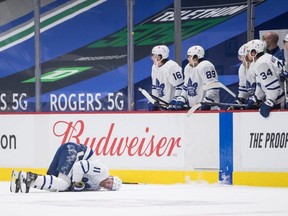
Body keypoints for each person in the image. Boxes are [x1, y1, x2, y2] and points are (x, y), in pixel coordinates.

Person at [10, 142, 122, 193]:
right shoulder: (103, 171)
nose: (108, 185)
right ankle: (29, 177)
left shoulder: (96, 187)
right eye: (110, 182)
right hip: (73, 151)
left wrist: (74, 185)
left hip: (69, 153)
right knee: (64, 184)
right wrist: (76, 183)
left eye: (110, 187)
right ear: (110, 177)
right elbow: (79, 166)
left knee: (54, 186)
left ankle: (25, 181)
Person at [245, 39, 285, 118]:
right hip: (280, 96)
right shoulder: (266, 57)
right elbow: (262, 83)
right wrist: (257, 97)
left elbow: (273, 86)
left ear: (254, 52)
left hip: (280, 100)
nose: (247, 55)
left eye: (248, 52)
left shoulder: (261, 63)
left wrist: (269, 101)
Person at [174, 45, 220, 110]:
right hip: (193, 109)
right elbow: (186, 87)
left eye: (189, 56)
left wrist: (207, 101)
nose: (187, 58)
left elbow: (214, 87)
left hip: (210, 110)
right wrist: (181, 99)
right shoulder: (188, 68)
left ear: (195, 57)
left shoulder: (206, 66)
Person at [148, 45, 184, 110]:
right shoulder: (154, 67)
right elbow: (155, 86)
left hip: (174, 109)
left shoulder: (172, 67)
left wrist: (176, 99)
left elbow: (180, 86)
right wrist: (154, 100)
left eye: (154, 55)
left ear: (160, 57)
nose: (152, 58)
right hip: (162, 107)